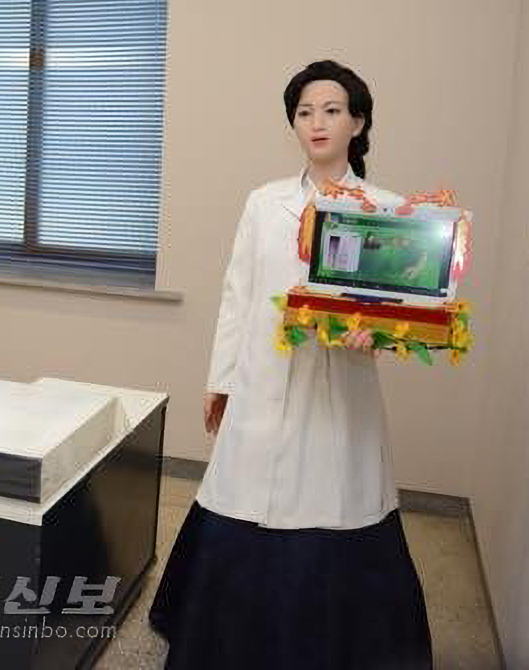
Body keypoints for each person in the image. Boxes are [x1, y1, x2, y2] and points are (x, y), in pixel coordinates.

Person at [149, 60, 432, 669]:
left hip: (338, 392)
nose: (317, 123)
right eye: (304, 113)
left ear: (358, 121)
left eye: (331, 111)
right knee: (246, 500)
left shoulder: (387, 210)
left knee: (333, 502)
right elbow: (238, 295)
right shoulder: (264, 202)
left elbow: (398, 313)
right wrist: (220, 381)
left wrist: (375, 336)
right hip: (263, 382)